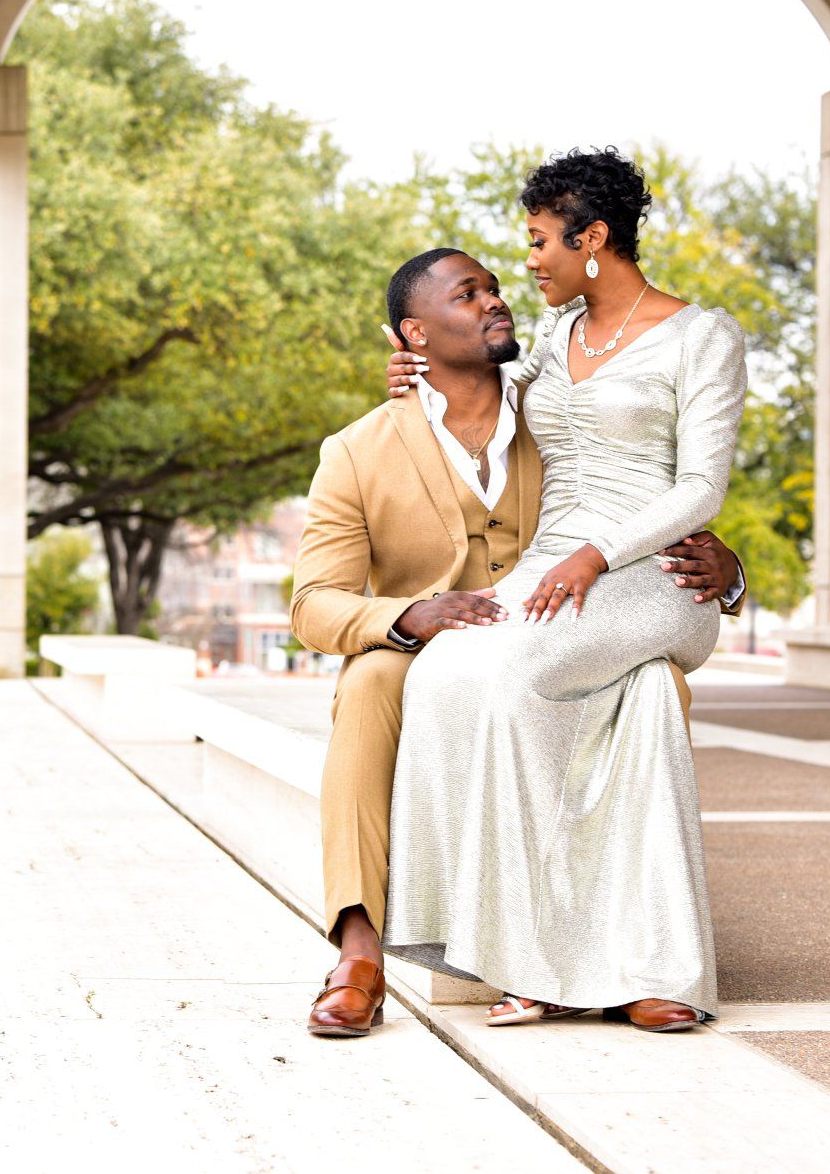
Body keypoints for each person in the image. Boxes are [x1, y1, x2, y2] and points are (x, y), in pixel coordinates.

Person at [291, 221, 746, 1037]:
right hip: (430, 642)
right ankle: (358, 952)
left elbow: (652, 496)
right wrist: (408, 616)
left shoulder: (560, 415)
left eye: (495, 286)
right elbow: (313, 603)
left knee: (650, 680)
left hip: (564, 628)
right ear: (414, 336)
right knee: (369, 683)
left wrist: (729, 570)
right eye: (468, 295)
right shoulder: (357, 451)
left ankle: (635, 956)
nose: (497, 299)